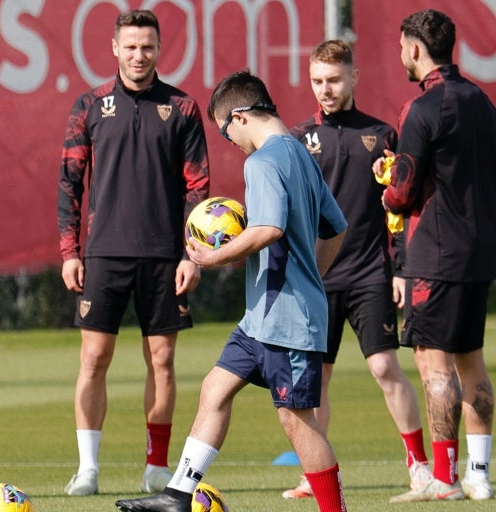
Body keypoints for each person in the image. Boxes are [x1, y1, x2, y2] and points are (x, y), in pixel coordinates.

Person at [114, 70, 348, 512]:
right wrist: (312, 273)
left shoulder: (262, 161)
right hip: (261, 316)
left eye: (225, 132)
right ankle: (178, 495)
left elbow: (268, 229)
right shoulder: (299, 154)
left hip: (288, 319)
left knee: (297, 422)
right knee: (215, 388)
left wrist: (210, 258)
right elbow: (335, 228)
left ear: (239, 116)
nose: (230, 142)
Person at [56, 9, 210, 496]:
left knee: (161, 360)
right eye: (130, 46)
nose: (139, 55)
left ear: (158, 49)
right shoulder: (89, 104)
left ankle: (157, 467)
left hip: (166, 256)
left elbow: (198, 189)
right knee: (93, 359)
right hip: (102, 254)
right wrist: (69, 251)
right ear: (114, 49)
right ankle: (88, 468)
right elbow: (68, 183)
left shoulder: (183, 107)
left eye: (147, 47)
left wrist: (193, 255)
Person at [281, 40, 431, 500]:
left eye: (334, 80)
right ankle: (316, 472)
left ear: (354, 78)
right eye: (318, 81)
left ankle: (420, 467)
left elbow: (401, 208)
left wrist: (401, 269)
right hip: (315, 277)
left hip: (369, 273)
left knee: (386, 367)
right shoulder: (297, 137)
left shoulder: (383, 135)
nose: (326, 89)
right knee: (316, 378)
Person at [376, 9, 496, 502]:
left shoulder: (421, 108)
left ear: (414, 48)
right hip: (479, 250)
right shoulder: (482, 101)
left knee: (433, 365)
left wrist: (385, 185)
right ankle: (479, 474)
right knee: (472, 361)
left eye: (403, 46)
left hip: (436, 251)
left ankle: (444, 479)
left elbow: (401, 192)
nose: (401, 54)